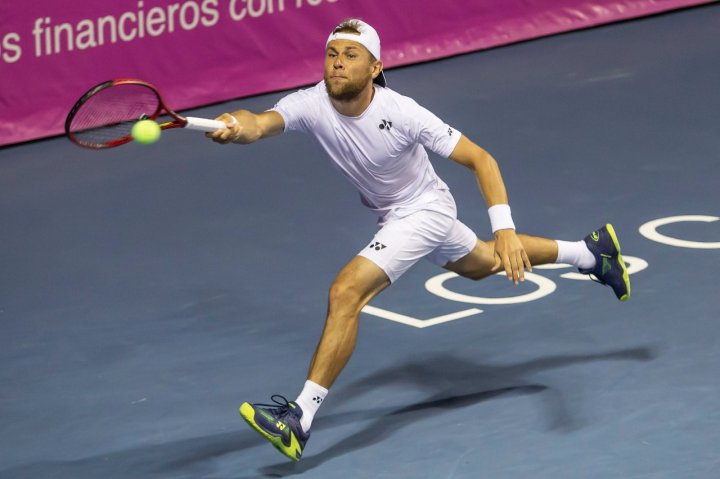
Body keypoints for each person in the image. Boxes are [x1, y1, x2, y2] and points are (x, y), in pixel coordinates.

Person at [207, 18, 631, 461]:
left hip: (425, 210)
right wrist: (234, 125)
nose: (337, 64)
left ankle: (300, 419)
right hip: (395, 215)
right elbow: (259, 122)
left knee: (346, 290)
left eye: (350, 56)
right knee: (485, 263)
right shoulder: (310, 103)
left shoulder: (402, 112)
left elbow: (481, 159)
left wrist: (504, 227)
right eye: (332, 54)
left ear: (375, 68)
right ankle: (590, 254)